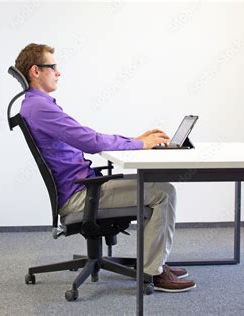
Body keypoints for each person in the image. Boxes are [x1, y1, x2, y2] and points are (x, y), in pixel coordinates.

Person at [15, 43, 196, 292]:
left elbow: (90, 137)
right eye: (53, 67)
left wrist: (135, 140)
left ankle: (154, 264)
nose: (59, 72)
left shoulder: (36, 105)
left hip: (82, 186)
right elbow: (90, 141)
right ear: (36, 71)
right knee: (163, 191)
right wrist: (140, 143)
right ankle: (152, 272)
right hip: (80, 195)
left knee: (157, 188)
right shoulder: (41, 108)